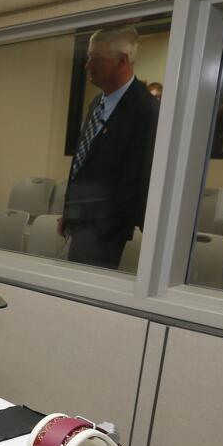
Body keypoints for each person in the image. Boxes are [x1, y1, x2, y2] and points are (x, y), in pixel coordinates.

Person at [60, 26, 159, 269]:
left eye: (96, 59)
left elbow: (137, 179)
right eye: (88, 58)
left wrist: (103, 229)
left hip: (104, 231)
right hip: (81, 221)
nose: (87, 66)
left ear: (121, 61)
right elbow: (85, 163)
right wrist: (70, 212)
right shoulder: (97, 103)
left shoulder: (145, 110)